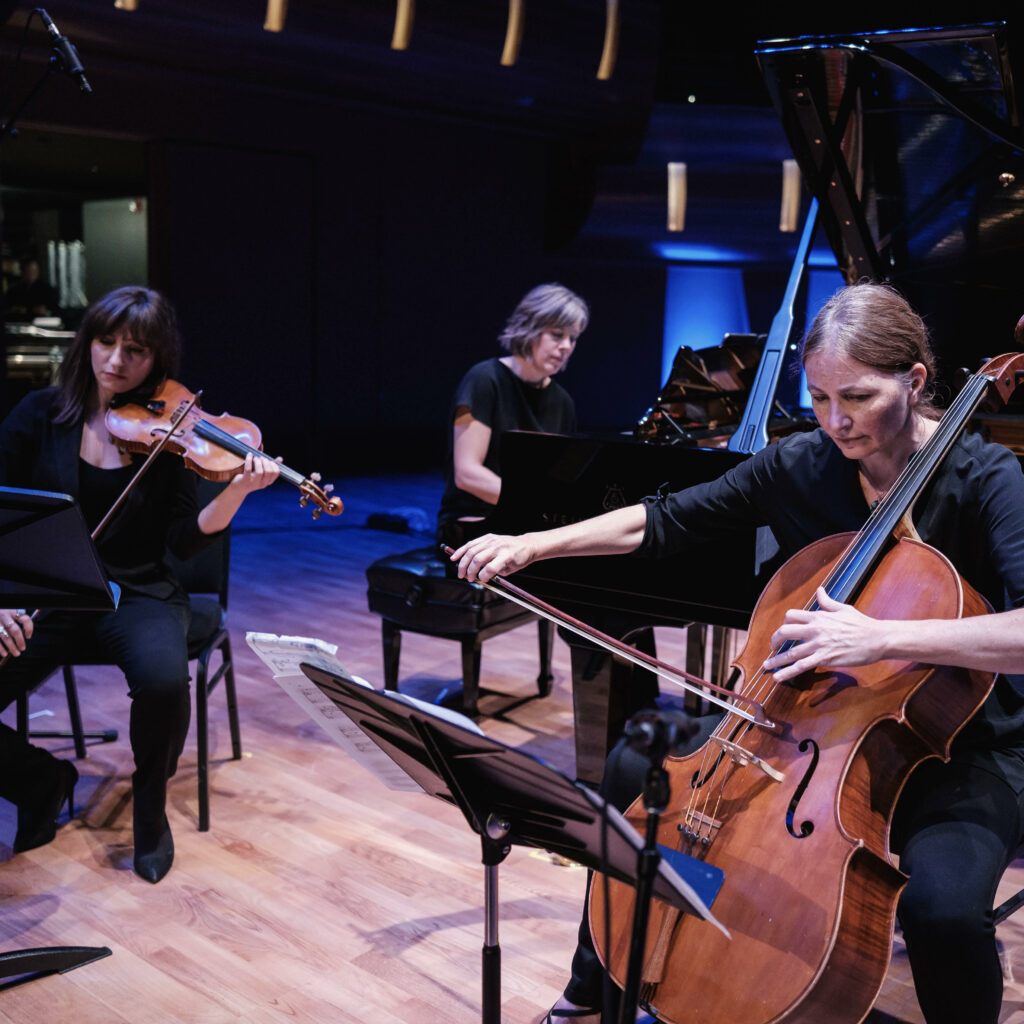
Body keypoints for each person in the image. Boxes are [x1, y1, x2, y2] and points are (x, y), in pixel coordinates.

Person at [451, 282, 1024, 1024]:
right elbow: (664, 522)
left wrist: (882, 637)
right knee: (637, 767)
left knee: (944, 910)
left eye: (856, 396)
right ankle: (602, 983)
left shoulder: (987, 480)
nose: (835, 420)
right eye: (817, 398)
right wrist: (534, 543)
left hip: (960, 745)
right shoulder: (804, 465)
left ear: (914, 382)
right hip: (816, 729)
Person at [0, 286, 279, 883]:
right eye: (107, 342)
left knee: (161, 681)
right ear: (88, 342)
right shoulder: (39, 416)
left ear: (158, 361)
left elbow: (183, 540)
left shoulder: (173, 430)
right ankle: (40, 782)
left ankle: (150, 809)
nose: (117, 361)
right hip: (51, 595)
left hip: (140, 592)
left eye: (136, 350)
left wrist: (234, 490)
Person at [437, 282, 589, 546]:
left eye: (572, 338)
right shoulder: (484, 380)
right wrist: (532, 509)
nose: (566, 346)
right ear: (529, 330)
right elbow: (467, 474)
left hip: (525, 524)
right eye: (557, 334)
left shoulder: (563, 402)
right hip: (472, 523)